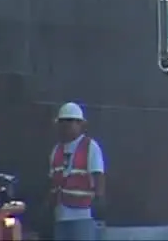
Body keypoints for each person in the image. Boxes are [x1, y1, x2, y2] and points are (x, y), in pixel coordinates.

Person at [49, 102, 106, 241]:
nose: (65, 126)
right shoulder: (56, 150)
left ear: (80, 124)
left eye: (69, 122)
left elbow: (98, 176)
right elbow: (52, 183)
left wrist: (99, 203)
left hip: (83, 215)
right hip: (61, 216)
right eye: (62, 123)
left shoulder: (90, 147)